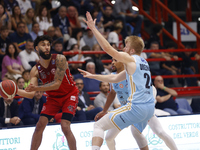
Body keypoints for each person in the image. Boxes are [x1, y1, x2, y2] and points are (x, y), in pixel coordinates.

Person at [79, 12, 155, 150]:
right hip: (149, 108)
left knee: (98, 125)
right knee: (128, 135)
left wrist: (93, 28)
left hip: (136, 107)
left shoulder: (131, 59)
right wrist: (93, 76)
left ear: (131, 50)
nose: (123, 49)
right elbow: (114, 78)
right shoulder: (143, 62)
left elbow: (108, 49)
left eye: (125, 46)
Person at [94, 58, 177, 150]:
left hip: (139, 108)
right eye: (112, 60)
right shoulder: (113, 76)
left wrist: (148, 107)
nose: (112, 62)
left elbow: (152, 89)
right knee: (109, 138)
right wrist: (104, 111)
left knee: (158, 132)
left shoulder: (133, 74)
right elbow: (112, 93)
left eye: (116, 60)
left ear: (123, 62)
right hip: (125, 111)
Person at [16, 35, 79, 150]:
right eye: (43, 45)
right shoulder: (35, 69)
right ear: (36, 48)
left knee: (65, 126)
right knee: (39, 125)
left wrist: (35, 88)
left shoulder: (60, 59)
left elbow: (56, 84)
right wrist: (15, 91)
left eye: (48, 45)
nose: (47, 47)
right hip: (53, 98)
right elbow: (30, 94)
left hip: (69, 95)